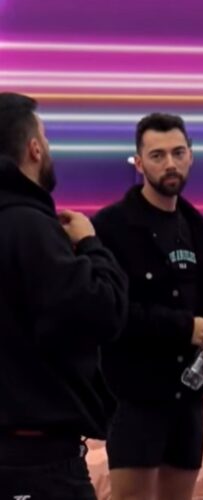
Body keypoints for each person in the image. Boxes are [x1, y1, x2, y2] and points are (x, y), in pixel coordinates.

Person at [93, 113, 203, 500]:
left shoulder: (198, 227)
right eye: (157, 155)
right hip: (135, 394)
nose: (170, 163)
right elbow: (111, 312)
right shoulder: (111, 226)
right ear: (139, 164)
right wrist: (186, 327)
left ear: (191, 156)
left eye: (178, 152)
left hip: (188, 394)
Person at [0, 93, 128, 499]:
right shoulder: (30, 227)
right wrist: (91, 245)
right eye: (46, 137)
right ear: (34, 149)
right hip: (38, 460)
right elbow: (103, 311)